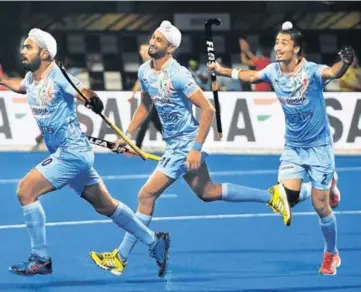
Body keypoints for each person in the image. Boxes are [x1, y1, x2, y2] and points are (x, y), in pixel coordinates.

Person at [89, 20, 293, 276]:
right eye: (153, 38)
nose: (152, 42)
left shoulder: (179, 74)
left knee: (145, 195)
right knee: (207, 192)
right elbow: (145, 105)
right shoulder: (144, 71)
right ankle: (272, 196)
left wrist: (196, 148)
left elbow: (207, 109)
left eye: (159, 41)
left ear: (171, 47)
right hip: (173, 143)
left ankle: (120, 257)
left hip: (185, 144)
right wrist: (128, 136)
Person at [0, 28, 169, 277]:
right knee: (105, 206)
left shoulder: (57, 74)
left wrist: (93, 99)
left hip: (71, 153)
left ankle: (41, 259)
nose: (23, 51)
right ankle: (155, 241)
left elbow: (83, 93)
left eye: (28, 47)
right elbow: (19, 86)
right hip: (71, 153)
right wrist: (2, 80)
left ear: (44, 53)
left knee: (25, 191)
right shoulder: (31, 78)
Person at [207, 21, 353, 276]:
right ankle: (328, 183)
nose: (278, 47)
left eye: (284, 43)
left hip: (319, 147)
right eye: (276, 43)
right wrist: (221, 70)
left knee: (321, 207)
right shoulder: (273, 71)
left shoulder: (312, 71)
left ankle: (331, 253)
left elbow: (333, 72)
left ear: (297, 49)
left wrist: (346, 62)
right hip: (293, 147)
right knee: (287, 198)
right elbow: (250, 76)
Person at [128, 43, 162, 149]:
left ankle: (137, 147)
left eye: (142, 50)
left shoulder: (155, 64)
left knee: (145, 121)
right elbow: (140, 81)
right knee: (157, 124)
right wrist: (133, 94)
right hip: (150, 99)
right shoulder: (145, 66)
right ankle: (173, 142)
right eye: (140, 50)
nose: (140, 52)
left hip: (157, 99)